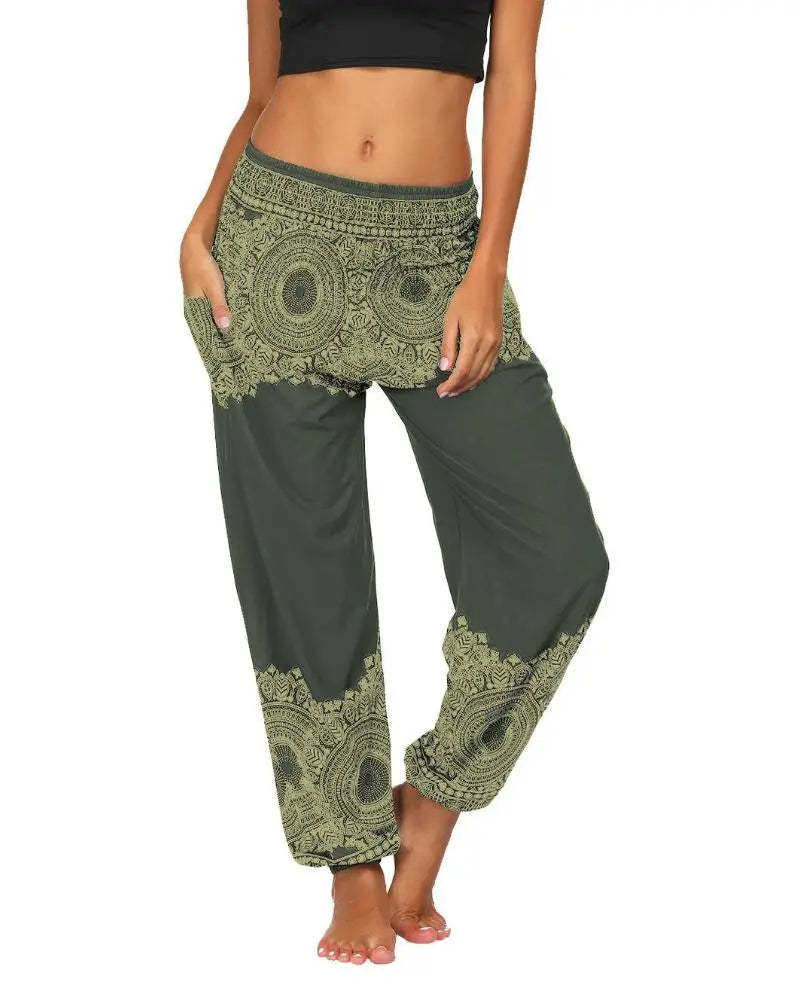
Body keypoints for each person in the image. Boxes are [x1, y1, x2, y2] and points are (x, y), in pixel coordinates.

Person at [180, 0, 608, 966]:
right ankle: (352, 864)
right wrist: (199, 230)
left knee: (557, 560)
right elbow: (263, 91)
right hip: (271, 241)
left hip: (436, 257)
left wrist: (487, 266)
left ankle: (433, 802)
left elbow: (513, 79)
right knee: (306, 573)